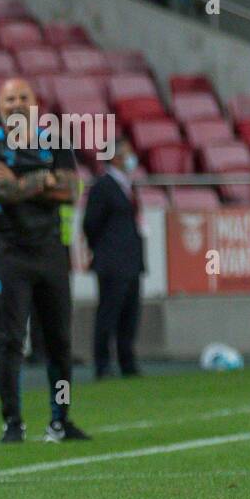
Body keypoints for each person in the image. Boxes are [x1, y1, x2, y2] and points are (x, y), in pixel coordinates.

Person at [0, 77, 90, 443]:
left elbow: (72, 191)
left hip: (52, 254)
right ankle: (13, 422)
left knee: (59, 341)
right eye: (9, 98)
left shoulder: (55, 140)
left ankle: (61, 420)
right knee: (11, 341)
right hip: (10, 257)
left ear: (35, 102)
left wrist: (23, 184)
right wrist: (45, 182)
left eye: (23, 96)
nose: (16, 103)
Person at [83, 140, 145, 378]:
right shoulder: (103, 187)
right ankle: (103, 364)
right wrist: (103, 250)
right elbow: (90, 223)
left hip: (131, 259)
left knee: (130, 314)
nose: (131, 158)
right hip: (112, 260)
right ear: (116, 157)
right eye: (127, 153)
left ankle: (127, 361)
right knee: (108, 314)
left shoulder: (128, 186)